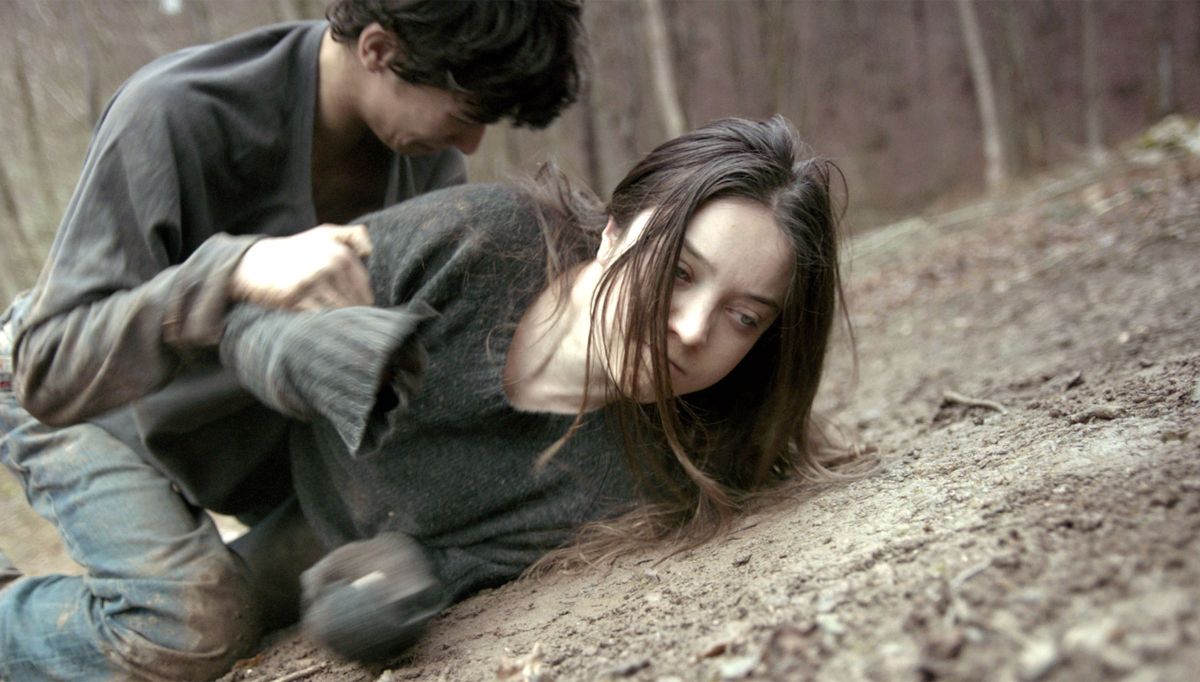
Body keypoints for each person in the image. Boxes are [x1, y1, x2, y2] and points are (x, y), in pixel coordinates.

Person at [0, 1, 584, 679]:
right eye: (464, 114)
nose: (472, 146)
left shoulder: (419, 155)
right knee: (187, 629)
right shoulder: (174, 112)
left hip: (235, 437)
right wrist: (234, 271)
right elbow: (49, 361)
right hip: (80, 399)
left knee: (355, 558)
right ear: (379, 50)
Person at [214, 116, 850, 661]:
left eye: (743, 317)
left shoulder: (656, 477)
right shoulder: (476, 239)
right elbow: (247, 316)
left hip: (323, 533)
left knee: (206, 619)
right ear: (613, 234)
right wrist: (315, 352)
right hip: (223, 440)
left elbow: (468, 558)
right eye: (680, 272)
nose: (690, 329)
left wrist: (405, 575)